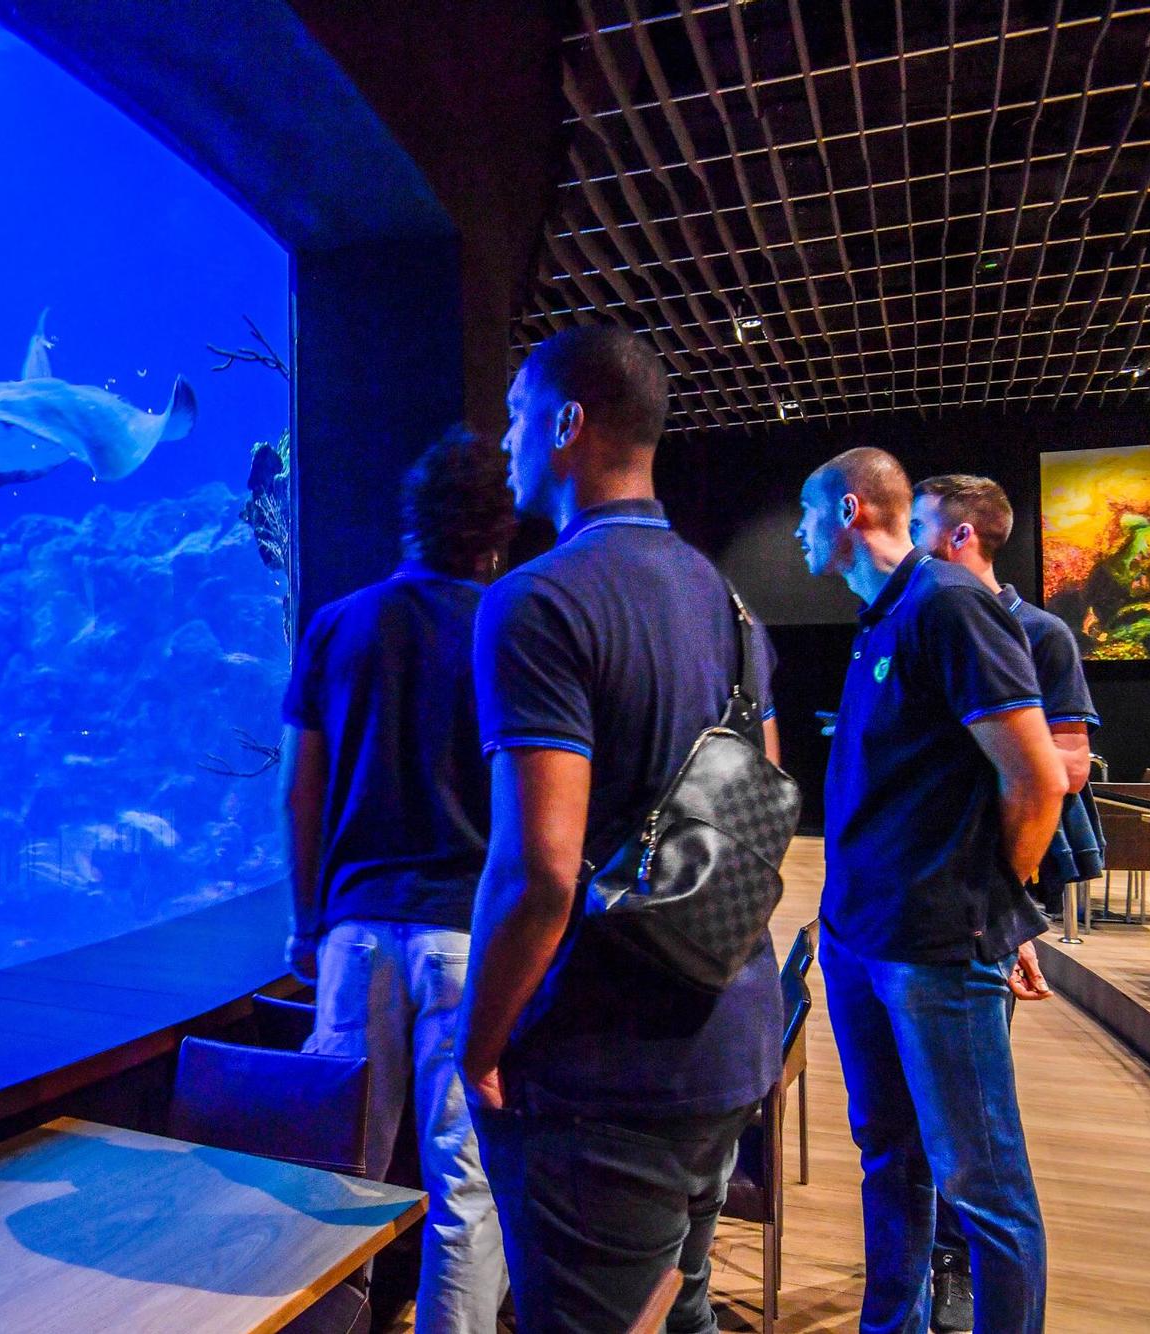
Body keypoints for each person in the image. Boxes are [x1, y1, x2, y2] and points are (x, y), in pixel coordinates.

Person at [456, 325, 784, 1333]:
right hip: (729, 1034)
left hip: (606, 1066)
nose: (503, 438)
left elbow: (538, 874)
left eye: (515, 415)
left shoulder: (536, 603)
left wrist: (476, 1042)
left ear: (566, 424)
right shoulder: (730, 606)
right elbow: (763, 800)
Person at [795, 448, 1066, 1334]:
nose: (796, 536)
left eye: (805, 515)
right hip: (861, 941)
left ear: (846, 512)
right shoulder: (885, 615)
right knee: (890, 1158)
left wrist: (997, 899)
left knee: (982, 1185)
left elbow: (1038, 781)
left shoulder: (948, 603)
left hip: (937, 951)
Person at [281, 427, 516, 1333]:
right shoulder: (511, 625)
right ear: (498, 537)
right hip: (469, 937)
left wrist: (308, 922)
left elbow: (299, 794)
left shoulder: (339, 624)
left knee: (339, 1169)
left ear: (409, 520)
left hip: (356, 933)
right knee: (466, 1178)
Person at [911, 472, 1099, 1332]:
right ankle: (932, 1261)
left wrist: (1007, 885)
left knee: (976, 1130)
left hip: (978, 903)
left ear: (957, 536)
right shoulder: (917, 618)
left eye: (917, 524)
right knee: (926, 1119)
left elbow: (1066, 768)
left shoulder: (1041, 632)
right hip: (915, 904)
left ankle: (962, 1267)